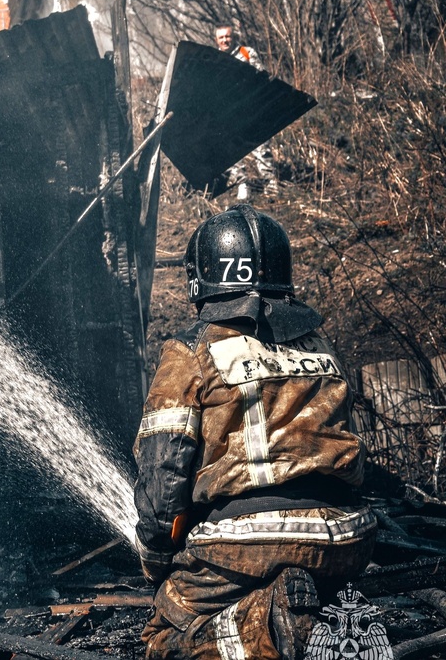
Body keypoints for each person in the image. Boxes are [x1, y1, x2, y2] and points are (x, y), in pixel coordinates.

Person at [134, 204, 377, 660]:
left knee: (161, 640)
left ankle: (266, 627)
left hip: (243, 545)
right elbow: (356, 453)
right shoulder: (320, 344)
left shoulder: (189, 350)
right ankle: (296, 611)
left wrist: (157, 560)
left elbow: (164, 479)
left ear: (200, 282)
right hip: (347, 539)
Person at [214, 23, 277, 197]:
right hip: (230, 111)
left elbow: (261, 77)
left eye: (228, 36)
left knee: (261, 147)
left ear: (233, 37)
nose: (225, 40)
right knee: (232, 149)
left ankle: (270, 183)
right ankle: (242, 184)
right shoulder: (214, 59)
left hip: (252, 107)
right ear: (216, 40)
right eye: (221, 37)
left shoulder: (246, 53)